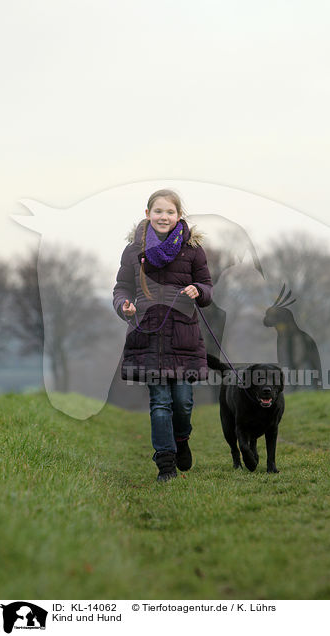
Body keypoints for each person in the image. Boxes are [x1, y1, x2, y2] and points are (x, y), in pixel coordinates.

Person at [113, 189, 213, 482]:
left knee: (182, 401)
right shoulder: (133, 251)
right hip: (148, 336)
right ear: (147, 214)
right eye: (158, 211)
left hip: (183, 335)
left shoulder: (192, 249)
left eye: (170, 212)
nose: (163, 217)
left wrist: (199, 290)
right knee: (160, 402)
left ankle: (181, 440)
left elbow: (206, 285)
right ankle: (166, 465)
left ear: (179, 216)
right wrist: (124, 305)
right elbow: (121, 288)